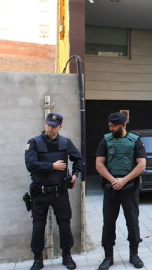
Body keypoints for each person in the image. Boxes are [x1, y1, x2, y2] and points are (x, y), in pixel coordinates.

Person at [24, 113, 84, 270]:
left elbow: (79, 159)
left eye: (54, 126)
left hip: (59, 192)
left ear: (60, 127)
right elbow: (30, 165)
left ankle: (67, 256)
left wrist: (75, 175)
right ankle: (38, 259)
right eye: (48, 124)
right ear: (45, 124)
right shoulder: (34, 143)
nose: (50, 128)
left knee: (64, 223)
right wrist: (52, 166)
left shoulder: (65, 142)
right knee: (38, 225)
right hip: (40, 192)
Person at [95, 112, 146, 269]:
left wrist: (124, 180)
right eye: (110, 125)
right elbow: (99, 164)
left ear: (124, 125)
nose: (111, 128)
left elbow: (141, 165)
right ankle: (108, 257)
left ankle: (134, 254)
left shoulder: (136, 141)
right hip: (111, 189)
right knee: (108, 223)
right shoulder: (106, 140)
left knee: (132, 221)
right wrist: (113, 180)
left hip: (129, 189)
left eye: (114, 125)